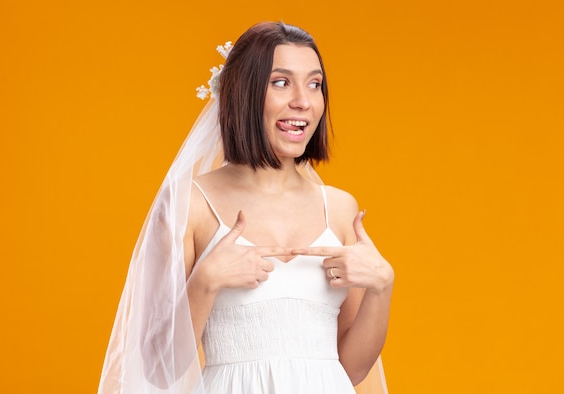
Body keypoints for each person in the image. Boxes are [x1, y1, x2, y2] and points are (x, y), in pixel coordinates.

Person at [99, 21, 394, 394]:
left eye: (315, 84)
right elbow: (158, 370)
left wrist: (382, 288)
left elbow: (350, 370)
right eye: (281, 82)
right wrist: (205, 282)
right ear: (243, 93)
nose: (303, 100)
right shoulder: (188, 205)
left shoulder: (338, 208)